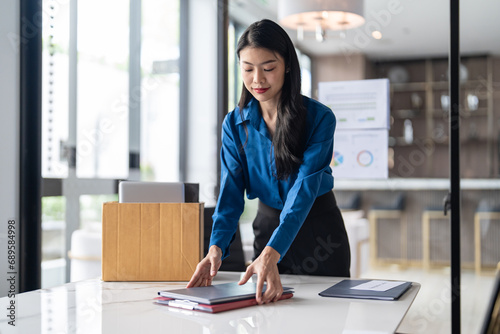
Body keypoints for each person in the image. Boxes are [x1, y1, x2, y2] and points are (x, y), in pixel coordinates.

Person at [187, 19, 350, 304]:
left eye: (268, 68)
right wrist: (216, 246)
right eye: (248, 69)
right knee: (268, 316)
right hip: (267, 227)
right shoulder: (235, 124)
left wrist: (273, 251)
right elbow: (231, 192)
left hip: (318, 232)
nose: (257, 80)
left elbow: (304, 190)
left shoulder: (320, 118)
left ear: (287, 65)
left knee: (327, 317)